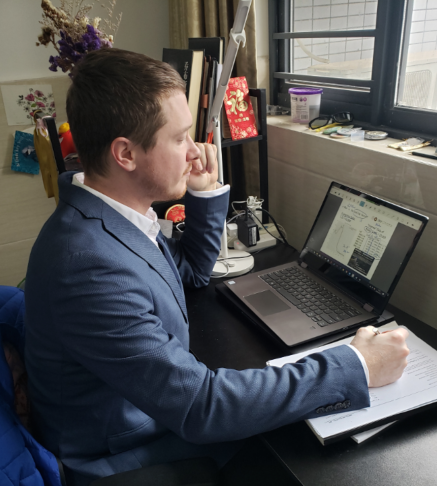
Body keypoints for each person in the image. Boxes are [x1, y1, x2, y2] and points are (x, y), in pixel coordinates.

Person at [25, 48, 409, 486]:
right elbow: (201, 407)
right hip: (127, 454)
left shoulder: (112, 213)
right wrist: (357, 364)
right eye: (179, 139)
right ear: (125, 154)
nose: (195, 152)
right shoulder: (87, 266)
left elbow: (188, 272)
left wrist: (203, 195)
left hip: (153, 412)